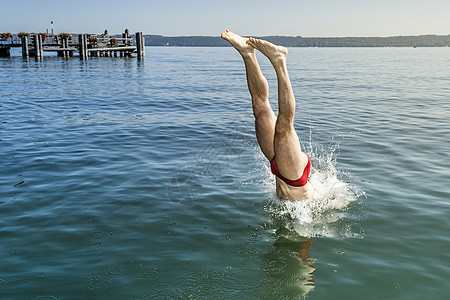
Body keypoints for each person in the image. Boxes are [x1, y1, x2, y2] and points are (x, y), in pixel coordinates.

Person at [221, 30, 317, 200]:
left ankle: (247, 53)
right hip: (293, 176)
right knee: (284, 127)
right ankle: (280, 61)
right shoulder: (314, 204)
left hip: (280, 167)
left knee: (259, 108)